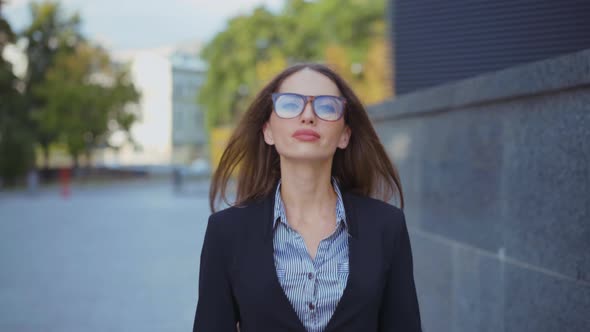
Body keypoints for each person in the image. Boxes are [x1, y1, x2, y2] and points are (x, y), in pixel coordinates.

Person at [193, 63, 422, 332]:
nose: (308, 116)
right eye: (290, 105)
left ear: (344, 135)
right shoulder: (226, 231)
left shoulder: (386, 225)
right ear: (268, 130)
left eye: (326, 107)